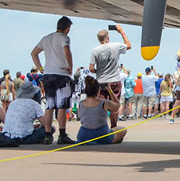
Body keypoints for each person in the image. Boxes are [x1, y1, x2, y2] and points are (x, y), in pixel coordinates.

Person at [30, 15, 75, 144]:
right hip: (61, 74)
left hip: (48, 74)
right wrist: (70, 67)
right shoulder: (64, 38)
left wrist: (40, 68)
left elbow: (34, 53)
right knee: (62, 106)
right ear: (67, 28)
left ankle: (47, 134)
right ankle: (62, 134)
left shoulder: (46, 38)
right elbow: (67, 51)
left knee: (49, 105)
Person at [89, 24, 131, 129]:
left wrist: (98, 71)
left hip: (101, 81)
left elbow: (91, 68)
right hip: (114, 80)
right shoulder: (115, 46)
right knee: (114, 106)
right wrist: (122, 32)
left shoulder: (95, 50)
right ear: (107, 38)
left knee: (101, 106)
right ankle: (113, 128)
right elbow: (128, 45)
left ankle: (100, 127)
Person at [76, 76, 127, 145]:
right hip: (101, 135)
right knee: (123, 130)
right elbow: (117, 106)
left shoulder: (81, 103)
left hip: (83, 135)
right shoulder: (104, 102)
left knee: (113, 130)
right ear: (98, 90)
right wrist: (110, 90)